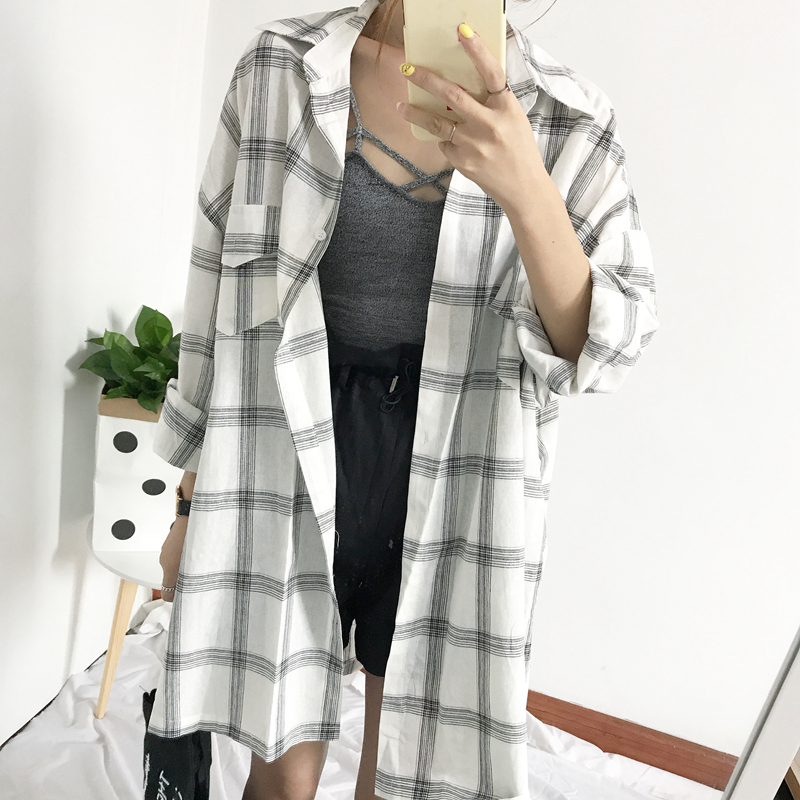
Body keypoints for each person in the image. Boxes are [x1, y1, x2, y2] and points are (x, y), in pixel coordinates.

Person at [151, 0, 660, 798]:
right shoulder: (280, 69)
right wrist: (188, 505)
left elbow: (606, 349)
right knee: (279, 770)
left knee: (410, 771)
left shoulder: (569, 118)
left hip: (461, 463)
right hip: (291, 442)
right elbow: (216, 291)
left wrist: (527, 188)